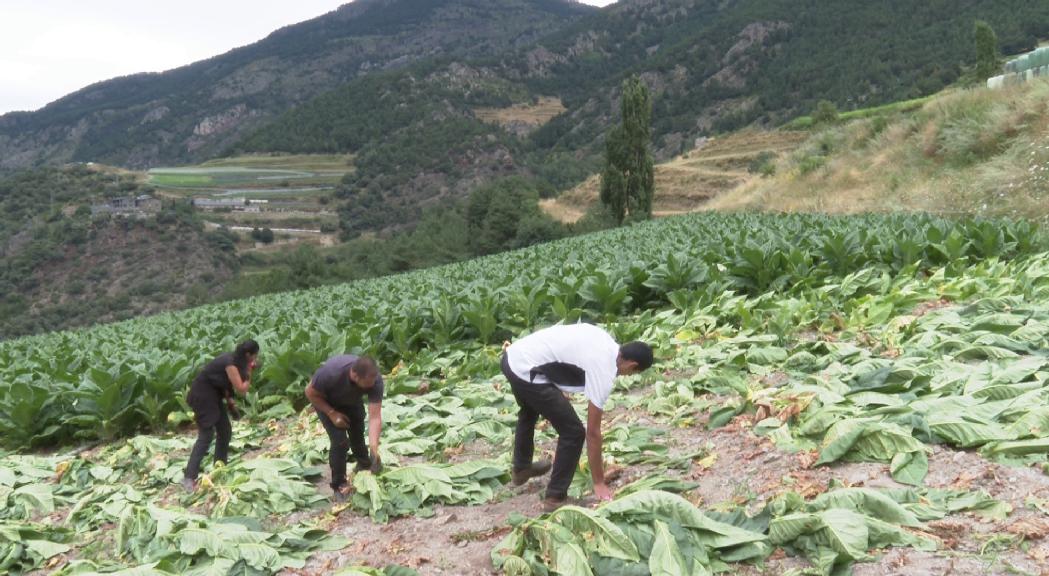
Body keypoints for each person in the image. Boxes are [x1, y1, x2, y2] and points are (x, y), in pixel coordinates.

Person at [501, 323, 653, 511]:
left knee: (529, 409)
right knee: (573, 432)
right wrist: (599, 482)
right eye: (632, 373)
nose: (627, 376)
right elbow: (593, 433)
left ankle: (521, 468)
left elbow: (563, 352)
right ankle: (555, 497)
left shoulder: (604, 339)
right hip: (525, 368)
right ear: (632, 365)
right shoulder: (604, 370)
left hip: (512, 356)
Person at [305, 354, 384, 500]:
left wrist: (374, 448)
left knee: (357, 430)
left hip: (351, 401)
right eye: (367, 385)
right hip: (327, 403)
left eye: (372, 384)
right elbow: (309, 392)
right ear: (354, 375)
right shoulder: (331, 373)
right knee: (340, 442)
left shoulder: (374, 380)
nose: (371, 387)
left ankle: (364, 465)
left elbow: (375, 417)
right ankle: (339, 484)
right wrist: (332, 413)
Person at [183, 339, 259, 491]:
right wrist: (250, 372)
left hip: (213, 395)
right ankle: (189, 478)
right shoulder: (230, 363)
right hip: (203, 396)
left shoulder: (234, 361)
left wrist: (230, 402)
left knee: (225, 430)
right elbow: (241, 389)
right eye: (254, 357)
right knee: (206, 435)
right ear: (248, 355)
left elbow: (221, 383)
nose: (255, 360)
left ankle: (220, 467)